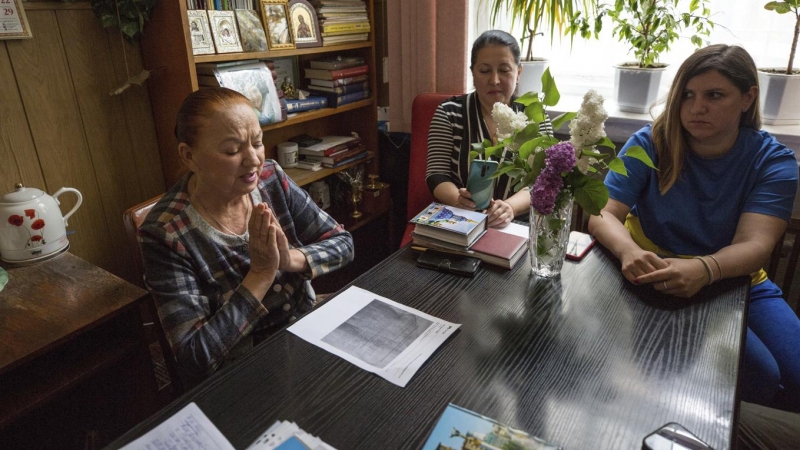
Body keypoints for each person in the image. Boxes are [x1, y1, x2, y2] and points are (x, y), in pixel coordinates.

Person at [587, 44, 800, 412]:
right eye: (687, 95)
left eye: (714, 95)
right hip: (652, 274)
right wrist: (630, 252)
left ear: (748, 98)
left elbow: (756, 245)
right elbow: (602, 212)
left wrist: (705, 268)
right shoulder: (651, 143)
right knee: (761, 378)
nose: (696, 107)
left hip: (737, 280)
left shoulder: (774, 161)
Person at [139, 87, 354, 385]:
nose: (253, 160)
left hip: (305, 328)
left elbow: (343, 243)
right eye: (232, 150)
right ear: (189, 156)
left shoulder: (271, 178)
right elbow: (193, 358)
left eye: (257, 142)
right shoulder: (165, 234)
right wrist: (261, 274)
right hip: (243, 371)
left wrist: (289, 259)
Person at [425, 30, 553, 228]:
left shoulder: (536, 116)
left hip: (518, 225)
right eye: (484, 71)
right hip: (461, 220)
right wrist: (459, 201)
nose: (494, 80)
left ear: (518, 73)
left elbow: (545, 178)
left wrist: (509, 208)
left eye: (504, 70)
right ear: (473, 73)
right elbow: (436, 174)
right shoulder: (449, 113)